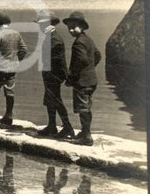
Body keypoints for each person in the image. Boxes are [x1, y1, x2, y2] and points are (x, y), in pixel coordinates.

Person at [62, 11, 101, 146]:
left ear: (82, 27)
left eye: (74, 27)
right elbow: (98, 55)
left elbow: (81, 61)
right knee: (87, 106)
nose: (71, 30)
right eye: (69, 28)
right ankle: (85, 132)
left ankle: (86, 136)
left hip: (82, 81)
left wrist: (71, 78)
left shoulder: (78, 43)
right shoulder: (88, 39)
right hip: (92, 80)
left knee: (83, 108)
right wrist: (90, 68)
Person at [0, 11, 28, 125]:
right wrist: (17, 61)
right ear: (9, 22)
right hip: (12, 69)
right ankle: (9, 116)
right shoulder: (16, 33)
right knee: (10, 92)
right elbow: (24, 49)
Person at [34, 11, 73, 138]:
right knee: (50, 100)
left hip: (54, 75)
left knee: (56, 101)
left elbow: (58, 61)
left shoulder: (54, 39)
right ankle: (52, 126)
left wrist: (63, 77)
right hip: (49, 74)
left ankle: (68, 127)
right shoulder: (49, 37)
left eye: (41, 24)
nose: (39, 26)